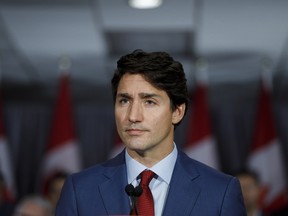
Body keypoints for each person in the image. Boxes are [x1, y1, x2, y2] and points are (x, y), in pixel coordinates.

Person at [56, 49, 246, 215]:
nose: (133, 116)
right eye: (124, 101)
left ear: (177, 112)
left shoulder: (220, 192)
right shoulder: (79, 190)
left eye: (149, 102)